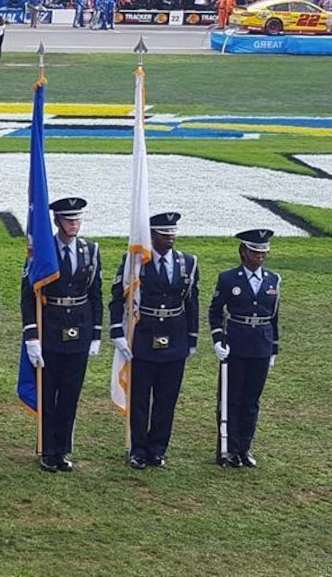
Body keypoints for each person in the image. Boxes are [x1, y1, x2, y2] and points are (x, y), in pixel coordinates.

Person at [109, 212, 199, 470]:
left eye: (172, 233)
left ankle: (157, 449)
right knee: (139, 399)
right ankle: (137, 449)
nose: (169, 238)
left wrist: (191, 339)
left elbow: (192, 302)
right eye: (163, 234)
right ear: (151, 236)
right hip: (143, 337)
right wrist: (118, 332)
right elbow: (118, 297)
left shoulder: (188, 263)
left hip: (175, 337)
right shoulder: (136, 262)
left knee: (166, 399)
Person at [21, 197, 103, 473]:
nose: (73, 224)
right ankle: (47, 448)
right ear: (56, 222)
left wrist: (96, 334)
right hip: (51, 329)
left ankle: (63, 449)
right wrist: (32, 335)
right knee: (48, 393)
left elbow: (95, 293)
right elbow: (27, 296)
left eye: (77, 219)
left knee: (70, 393)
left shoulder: (90, 251)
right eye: (68, 220)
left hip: (78, 329)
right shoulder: (43, 252)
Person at [209, 229, 280, 469]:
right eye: (254, 251)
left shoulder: (273, 280)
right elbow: (215, 311)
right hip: (236, 344)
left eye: (263, 252)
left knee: (251, 400)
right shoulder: (229, 278)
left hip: (261, 344)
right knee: (231, 399)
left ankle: (244, 448)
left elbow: (274, 316)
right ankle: (226, 448)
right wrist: (218, 339)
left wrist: (273, 349)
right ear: (243, 251)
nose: (259, 256)